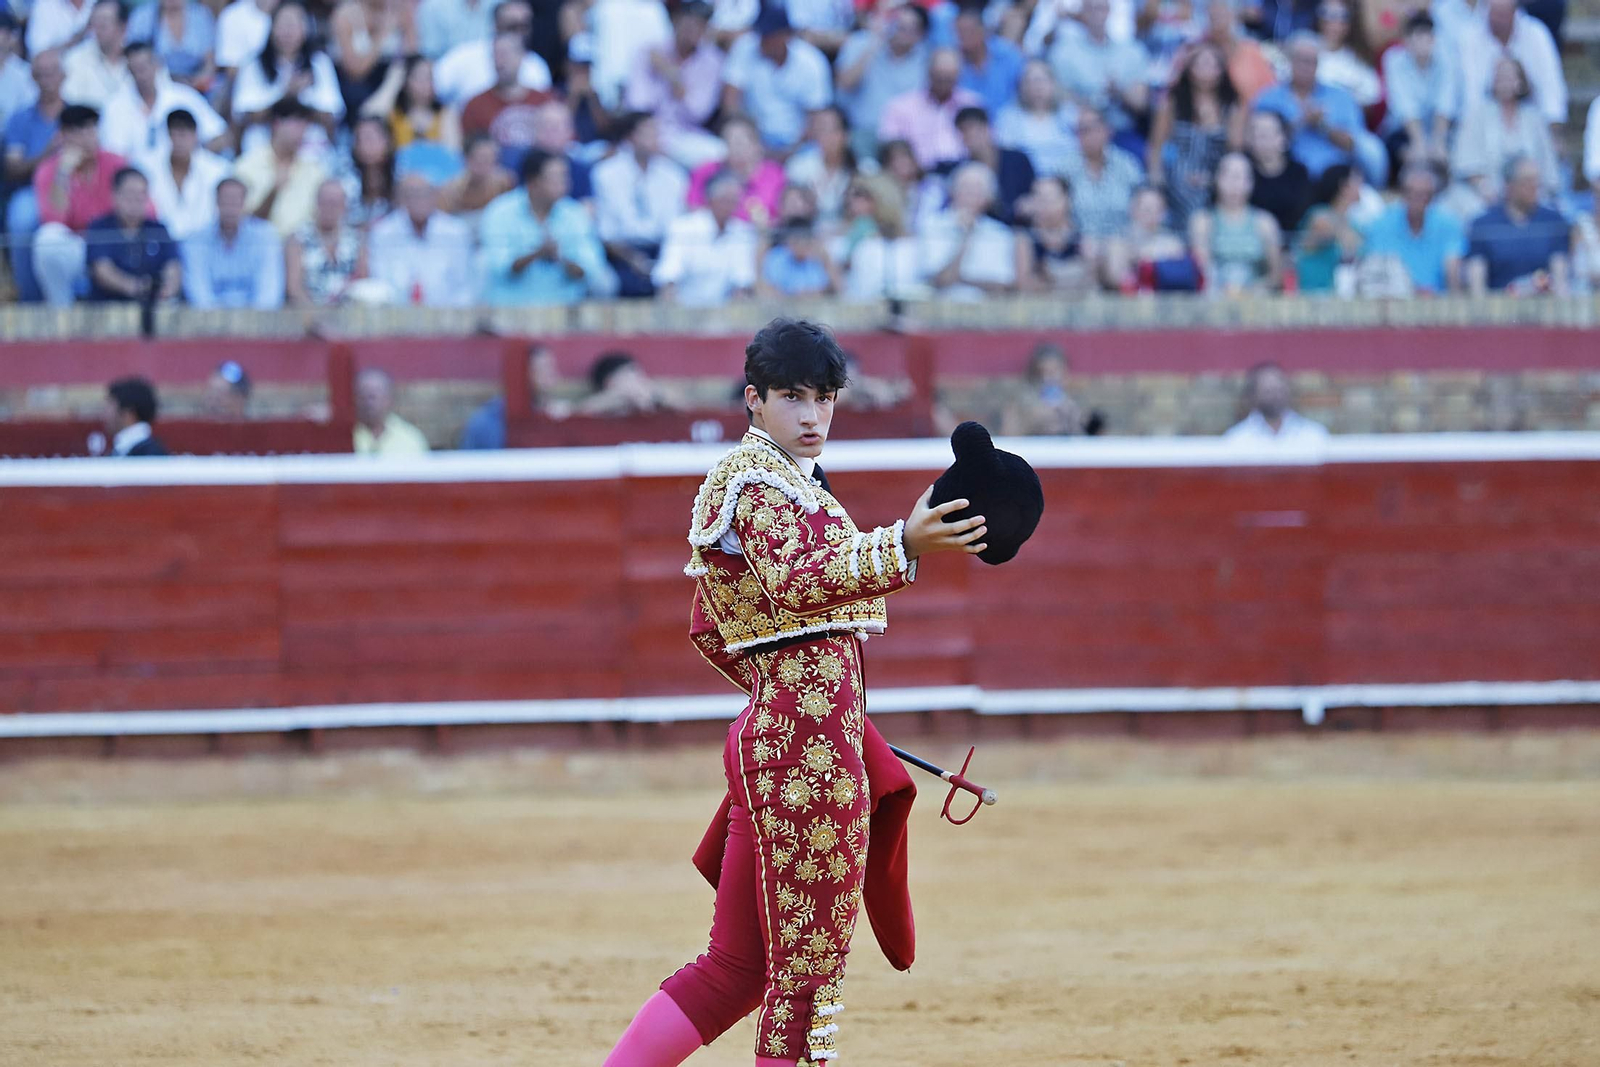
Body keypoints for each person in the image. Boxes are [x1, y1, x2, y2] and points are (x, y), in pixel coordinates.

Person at [602, 317, 987, 1067]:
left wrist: (795, 693)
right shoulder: (757, 482)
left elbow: (709, 627)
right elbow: (801, 581)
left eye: (825, 397)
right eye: (792, 397)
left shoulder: (785, 483)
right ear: (754, 398)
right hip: (803, 757)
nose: (812, 416)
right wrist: (903, 544)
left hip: (788, 742)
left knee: (738, 969)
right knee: (805, 980)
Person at [478, 146, 616, 305]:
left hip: (565, 308)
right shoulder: (500, 212)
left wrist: (560, 258)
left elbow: (591, 269)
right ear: (533, 182)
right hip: (511, 307)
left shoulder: (575, 214)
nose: (564, 184)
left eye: (564, 177)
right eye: (555, 178)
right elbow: (500, 268)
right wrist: (536, 254)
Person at [1253, 31, 1384, 187]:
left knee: (1372, 147)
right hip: (1286, 179)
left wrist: (1323, 126)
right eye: (1301, 60)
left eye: (1312, 61)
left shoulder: (1340, 97)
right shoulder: (1269, 98)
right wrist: (1301, 122)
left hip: (1335, 179)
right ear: (1290, 60)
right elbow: (1256, 143)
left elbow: (1355, 145)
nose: (1306, 67)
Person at [31, 103, 128, 306]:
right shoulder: (50, 170)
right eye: (80, 130)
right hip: (78, 245)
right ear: (63, 136)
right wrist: (63, 173)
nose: (88, 137)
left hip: (114, 243)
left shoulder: (117, 163)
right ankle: (62, 312)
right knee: (47, 239)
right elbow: (53, 220)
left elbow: (140, 211)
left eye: (92, 128)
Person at [1446, 57, 1560, 224]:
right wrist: (1484, 187)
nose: (1504, 83)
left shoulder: (1533, 117)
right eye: (1499, 77)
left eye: (1509, 77)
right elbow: (1465, 162)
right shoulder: (1477, 113)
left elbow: (1547, 165)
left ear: (1520, 82)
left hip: (1528, 190)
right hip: (1486, 190)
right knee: (1468, 209)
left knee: (1551, 210)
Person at [1146, 40, 1244, 229]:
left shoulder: (1232, 105)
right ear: (1189, 69)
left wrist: (1214, 179)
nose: (1207, 70)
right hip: (1178, 176)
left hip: (1217, 176)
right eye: (1201, 64)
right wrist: (1156, 180)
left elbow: (1235, 149)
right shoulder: (1172, 102)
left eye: (1212, 64)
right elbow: (1156, 145)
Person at [592, 111, 687, 297]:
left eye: (656, 131)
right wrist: (633, 259)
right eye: (647, 132)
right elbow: (606, 233)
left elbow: (676, 228)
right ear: (631, 136)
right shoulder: (606, 173)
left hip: (663, 251)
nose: (655, 137)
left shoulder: (674, 176)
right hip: (621, 254)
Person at [230, 1, 344, 152]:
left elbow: (331, 116)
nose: (288, 31)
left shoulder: (320, 63)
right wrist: (285, 93)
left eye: (295, 24)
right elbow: (245, 116)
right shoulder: (253, 64)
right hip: (263, 148)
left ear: (305, 28)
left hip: (310, 149)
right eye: (283, 24)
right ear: (272, 28)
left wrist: (302, 98)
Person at [624, 0, 724, 169]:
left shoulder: (712, 61)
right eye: (690, 21)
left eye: (701, 24)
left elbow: (698, 113)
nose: (694, 29)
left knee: (718, 153)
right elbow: (637, 105)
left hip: (684, 137)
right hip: (645, 133)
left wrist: (672, 76)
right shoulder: (649, 53)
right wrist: (650, 136)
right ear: (676, 20)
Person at [720, 5, 831, 153]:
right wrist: (749, 140)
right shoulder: (745, 47)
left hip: (798, 144)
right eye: (761, 34)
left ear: (785, 36)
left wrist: (790, 151)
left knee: (807, 167)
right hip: (752, 140)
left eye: (768, 36)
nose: (761, 41)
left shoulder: (811, 61)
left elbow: (818, 118)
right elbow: (730, 102)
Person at [5, 48, 67, 302]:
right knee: (21, 219)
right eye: (41, 74)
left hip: (76, 188)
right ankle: (30, 300)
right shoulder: (20, 119)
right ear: (33, 78)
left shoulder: (78, 115)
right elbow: (13, 168)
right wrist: (47, 153)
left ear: (64, 75)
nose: (48, 79)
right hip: (32, 190)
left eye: (53, 72)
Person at [98, 40, 227, 160]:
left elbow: (220, 136)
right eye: (135, 69)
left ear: (156, 65)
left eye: (144, 67)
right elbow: (113, 155)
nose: (141, 74)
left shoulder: (184, 97)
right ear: (129, 71)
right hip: (136, 178)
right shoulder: (115, 106)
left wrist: (194, 158)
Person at [1046, 0, 1151, 148]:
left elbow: (1141, 103)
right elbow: (1055, 95)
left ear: (1109, 10)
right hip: (1076, 133)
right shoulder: (1063, 52)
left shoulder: (1132, 52)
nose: (1096, 13)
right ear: (1081, 12)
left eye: (1101, 7)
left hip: (1120, 132)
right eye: (1091, 8)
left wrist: (1119, 92)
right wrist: (1084, 103)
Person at [833, 1, 927, 161]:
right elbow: (845, 84)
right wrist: (874, 43)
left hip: (904, 139)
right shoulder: (860, 42)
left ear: (920, 34)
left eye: (910, 29)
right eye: (899, 25)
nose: (902, 33)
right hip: (862, 132)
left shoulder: (925, 59)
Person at [1465, 154, 1571, 294]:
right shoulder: (1483, 225)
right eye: (1528, 181)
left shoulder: (1553, 221)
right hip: (1497, 309)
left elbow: (1560, 279)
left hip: (1543, 308)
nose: (1535, 187)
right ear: (1509, 185)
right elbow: (1477, 286)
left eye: (1536, 181)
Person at [652, 167, 758, 305]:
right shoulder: (683, 227)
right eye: (726, 201)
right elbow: (668, 277)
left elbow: (742, 282)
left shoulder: (742, 232)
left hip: (725, 315)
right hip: (684, 311)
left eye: (734, 202)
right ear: (711, 200)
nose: (731, 207)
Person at [366, 171, 474, 304]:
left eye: (424, 194)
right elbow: (379, 282)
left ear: (434, 196)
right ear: (400, 198)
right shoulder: (382, 232)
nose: (419, 200)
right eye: (411, 195)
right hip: (394, 315)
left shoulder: (456, 232)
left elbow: (465, 285)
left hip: (448, 314)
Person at [1457, 0, 1565, 132]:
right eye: (1494, 14)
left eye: (1502, 15)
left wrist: (1553, 130)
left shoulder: (1537, 34)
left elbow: (1551, 88)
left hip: (1532, 127)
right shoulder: (1470, 37)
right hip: (1484, 128)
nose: (1497, 20)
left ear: (1514, 12)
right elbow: (1471, 94)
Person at [1359, 163, 1464, 294]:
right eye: (1412, 194)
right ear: (1403, 194)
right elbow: (1376, 268)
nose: (1419, 200)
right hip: (1393, 300)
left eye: (1426, 195)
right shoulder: (1382, 224)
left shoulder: (1448, 223)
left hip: (1438, 302)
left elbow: (1452, 268)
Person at [919, 160, 1018, 298]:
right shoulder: (932, 226)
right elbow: (940, 280)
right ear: (952, 191)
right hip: (940, 311)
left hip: (987, 313)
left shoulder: (1000, 233)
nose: (971, 194)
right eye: (965, 187)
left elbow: (1002, 286)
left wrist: (961, 279)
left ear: (989, 197)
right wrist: (965, 237)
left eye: (978, 188)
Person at [82, 165, 181, 303]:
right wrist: (136, 287)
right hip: (107, 307)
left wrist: (168, 289)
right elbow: (102, 271)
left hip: (154, 305)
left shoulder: (158, 229)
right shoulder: (100, 228)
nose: (136, 200)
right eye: (130, 193)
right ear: (114, 195)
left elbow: (172, 266)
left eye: (141, 194)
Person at [180, 174, 282, 306]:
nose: (230, 208)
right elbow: (199, 296)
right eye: (225, 201)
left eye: (235, 201)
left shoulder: (266, 238)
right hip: (208, 323)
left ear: (245, 203)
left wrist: (250, 323)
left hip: (257, 323)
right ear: (216, 202)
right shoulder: (195, 241)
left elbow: (269, 295)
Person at [1188, 151, 1281, 294]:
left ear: (1251, 183)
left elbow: (1276, 276)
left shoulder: (1265, 223)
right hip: (1214, 298)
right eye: (1228, 176)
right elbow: (1202, 270)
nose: (1234, 184)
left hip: (1256, 300)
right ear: (1217, 179)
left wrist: (1252, 291)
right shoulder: (1202, 221)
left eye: (1240, 177)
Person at [460, 30, 552, 173]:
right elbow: (469, 155)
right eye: (496, 55)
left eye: (506, 54)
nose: (500, 61)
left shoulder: (545, 101)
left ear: (522, 57)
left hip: (540, 177)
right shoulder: (475, 106)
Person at [234, 97, 327, 236]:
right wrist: (274, 192)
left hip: (302, 250)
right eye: (297, 124)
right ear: (277, 124)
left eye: (305, 126)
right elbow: (244, 224)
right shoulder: (246, 166)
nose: (302, 132)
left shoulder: (314, 171)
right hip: (259, 249)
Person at [1380, 11, 1456, 180]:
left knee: (1449, 153)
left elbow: (1446, 101)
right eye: (1418, 37)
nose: (1423, 43)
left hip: (1439, 129)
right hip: (1403, 131)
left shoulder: (1447, 59)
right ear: (1406, 40)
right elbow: (1403, 105)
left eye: (1428, 37)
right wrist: (1419, 144)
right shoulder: (1393, 59)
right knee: (1412, 157)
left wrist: (1438, 141)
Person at [877, 47, 979, 171]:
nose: (943, 83)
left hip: (963, 174)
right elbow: (890, 148)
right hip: (916, 176)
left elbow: (984, 146)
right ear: (929, 73)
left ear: (958, 76)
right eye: (939, 76)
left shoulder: (972, 104)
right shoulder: (900, 107)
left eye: (949, 78)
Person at [432, 0, 551, 106]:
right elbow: (432, 90)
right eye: (512, 26)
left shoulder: (537, 67)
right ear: (495, 26)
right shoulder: (464, 57)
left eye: (524, 26)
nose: (519, 32)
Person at [838, 172, 925, 301]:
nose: (854, 204)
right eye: (854, 197)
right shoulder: (856, 230)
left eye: (863, 198)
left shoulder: (909, 244)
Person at [1061, 107, 1143, 240]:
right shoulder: (1064, 169)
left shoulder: (1127, 165)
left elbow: (1142, 203)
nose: (1087, 135)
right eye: (1081, 130)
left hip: (1124, 240)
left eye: (1092, 128)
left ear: (1108, 130)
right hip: (1078, 242)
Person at [686, 113, 784, 225]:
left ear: (757, 145)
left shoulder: (775, 175)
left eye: (740, 142)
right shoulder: (706, 171)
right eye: (729, 141)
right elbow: (693, 209)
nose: (736, 148)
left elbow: (780, 218)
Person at [327, 0, 415, 119]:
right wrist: (381, 36)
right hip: (357, 88)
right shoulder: (345, 15)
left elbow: (411, 59)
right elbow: (355, 71)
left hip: (393, 86)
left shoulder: (401, 11)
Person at [285, 177, 366, 304]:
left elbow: (363, 280)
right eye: (325, 202)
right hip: (308, 315)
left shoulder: (357, 239)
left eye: (335, 203)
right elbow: (294, 289)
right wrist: (316, 318)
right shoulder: (298, 239)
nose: (330, 208)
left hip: (349, 315)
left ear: (344, 205)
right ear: (316, 203)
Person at [995, 59, 1078, 179]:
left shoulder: (1069, 114)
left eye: (1041, 81)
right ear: (1021, 86)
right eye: (1031, 81)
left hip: (1066, 180)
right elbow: (1008, 156)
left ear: (1053, 83)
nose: (1037, 87)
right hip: (1024, 181)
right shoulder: (1008, 117)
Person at [949, 106, 1033, 223]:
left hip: (1018, 225)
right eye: (963, 131)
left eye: (973, 129)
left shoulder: (1018, 160)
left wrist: (1029, 202)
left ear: (988, 128)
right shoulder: (963, 170)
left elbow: (1032, 194)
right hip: (981, 228)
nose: (969, 136)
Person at [1107, 183, 1197, 292]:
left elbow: (1181, 271)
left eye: (1157, 209)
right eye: (1147, 209)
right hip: (1127, 301)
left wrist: (1142, 256)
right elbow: (1114, 276)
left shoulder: (1172, 241)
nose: (1152, 214)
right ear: (1133, 209)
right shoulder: (1118, 241)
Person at [1015, 174, 1098, 293]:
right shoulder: (1025, 240)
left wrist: (1052, 278)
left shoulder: (1083, 239)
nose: (1043, 205)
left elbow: (1091, 283)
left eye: (1048, 198)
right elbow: (1024, 285)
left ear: (1066, 200)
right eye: (1038, 198)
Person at [363, 54, 461, 151]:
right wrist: (393, 81)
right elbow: (367, 115)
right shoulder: (394, 114)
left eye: (430, 77)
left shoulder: (445, 114)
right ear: (405, 80)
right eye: (420, 77)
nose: (427, 83)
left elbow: (453, 155)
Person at [783, 104, 855, 235]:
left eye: (831, 130)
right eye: (821, 130)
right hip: (808, 239)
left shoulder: (863, 170)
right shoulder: (799, 167)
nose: (825, 136)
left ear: (845, 135)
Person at [1292, 162, 1361, 293]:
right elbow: (1346, 242)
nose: (1361, 186)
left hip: (1340, 296)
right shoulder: (1319, 216)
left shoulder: (1354, 223)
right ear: (1344, 186)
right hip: (1313, 294)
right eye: (1357, 181)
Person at [1244, 109, 1311, 234]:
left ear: (1284, 138)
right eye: (1254, 133)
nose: (1258, 140)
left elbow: (1303, 215)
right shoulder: (1243, 168)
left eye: (1265, 134)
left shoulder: (1298, 172)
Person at [1224, 362, 1328, 441]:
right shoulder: (1236, 438)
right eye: (1268, 391)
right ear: (1253, 396)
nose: (1275, 397)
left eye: (1278, 390)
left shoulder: (1314, 435)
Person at [1001, 341, 1088, 435]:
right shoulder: (1019, 403)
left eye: (1054, 372)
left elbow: (1091, 440)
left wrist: (1072, 418)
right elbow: (1009, 439)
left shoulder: (1077, 401)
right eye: (1042, 372)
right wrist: (1032, 420)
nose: (1048, 378)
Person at [126, 0, 216, 89]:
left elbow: (209, 60)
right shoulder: (143, 17)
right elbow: (134, 57)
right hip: (156, 85)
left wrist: (201, 79)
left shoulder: (200, 16)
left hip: (196, 86)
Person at [953, 2, 1022, 116]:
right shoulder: (955, 64)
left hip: (1009, 123)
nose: (962, 37)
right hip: (970, 126)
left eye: (968, 31)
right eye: (959, 32)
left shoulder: (1009, 55)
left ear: (982, 31)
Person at [60, 0, 128, 111]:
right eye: (96, 22)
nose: (99, 28)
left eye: (105, 21)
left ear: (123, 26)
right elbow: (70, 103)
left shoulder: (138, 58)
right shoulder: (75, 59)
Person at [1311, 0, 1379, 108]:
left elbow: (1371, 96)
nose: (1334, 24)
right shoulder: (1304, 47)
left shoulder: (1357, 58)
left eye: (1343, 17)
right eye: (1328, 15)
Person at [334, 113, 396, 228]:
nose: (363, 144)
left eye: (369, 138)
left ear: (387, 141)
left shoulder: (400, 178)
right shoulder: (345, 181)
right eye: (359, 139)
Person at [353, 367, 430, 455]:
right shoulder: (343, 438)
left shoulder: (411, 439)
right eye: (362, 396)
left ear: (389, 398)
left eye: (373, 396)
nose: (368, 403)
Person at [438, 133, 515, 220]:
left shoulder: (505, 183)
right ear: (467, 159)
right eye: (481, 158)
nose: (485, 164)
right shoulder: (449, 191)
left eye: (490, 159)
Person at [759, 218, 839, 296]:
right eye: (795, 240)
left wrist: (826, 260)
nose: (800, 245)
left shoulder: (817, 259)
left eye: (804, 240)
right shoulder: (776, 258)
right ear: (787, 240)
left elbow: (834, 289)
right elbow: (766, 289)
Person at [104, 376, 171, 455]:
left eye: (110, 407)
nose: (105, 414)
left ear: (128, 413)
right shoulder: (122, 449)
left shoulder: (150, 455)